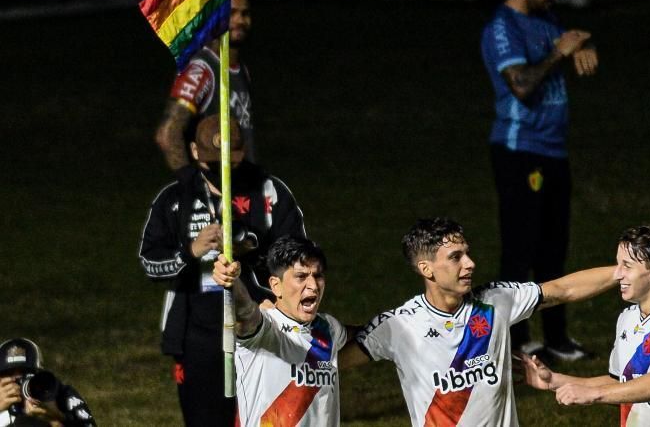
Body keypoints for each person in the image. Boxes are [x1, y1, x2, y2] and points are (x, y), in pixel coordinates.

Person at [339, 217, 617, 426]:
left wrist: (623, 271)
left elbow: (562, 290)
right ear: (427, 269)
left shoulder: (496, 300)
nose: (470, 263)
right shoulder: (399, 326)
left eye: (467, 253)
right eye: (455, 257)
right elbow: (333, 363)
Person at [139, 115, 306, 426]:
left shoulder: (269, 192)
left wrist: (253, 250)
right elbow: (151, 264)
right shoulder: (175, 199)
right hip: (196, 339)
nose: (223, 170)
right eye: (213, 162)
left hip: (262, 329)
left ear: (242, 151)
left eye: (231, 160)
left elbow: (300, 262)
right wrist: (191, 251)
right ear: (194, 150)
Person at [480, 0, 599, 361]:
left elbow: (566, 44)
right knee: (520, 248)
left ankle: (557, 338)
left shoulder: (546, 19)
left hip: (552, 150)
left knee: (554, 247)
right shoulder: (501, 27)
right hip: (519, 151)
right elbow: (522, 85)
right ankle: (513, 341)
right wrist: (557, 54)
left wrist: (579, 49)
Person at [520, 225, 650, 427]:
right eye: (617, 265)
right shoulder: (627, 318)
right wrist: (555, 380)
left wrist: (594, 395)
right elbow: (622, 384)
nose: (617, 274)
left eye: (627, 266)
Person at [212, 235, 347, 426]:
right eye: (301, 277)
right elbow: (246, 313)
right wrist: (233, 283)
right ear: (276, 285)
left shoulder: (330, 329)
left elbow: (364, 340)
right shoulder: (266, 328)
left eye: (318, 276)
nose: (313, 286)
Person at [155, 0, 256, 171]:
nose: (240, 20)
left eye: (245, 14)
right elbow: (168, 133)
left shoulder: (241, 69)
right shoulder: (202, 69)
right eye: (231, 14)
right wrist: (191, 183)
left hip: (243, 189)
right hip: (217, 191)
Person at [0, 338, 95, 427]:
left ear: (39, 374)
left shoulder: (60, 394)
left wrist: (57, 420)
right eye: (8, 373)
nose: (18, 379)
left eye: (25, 372)